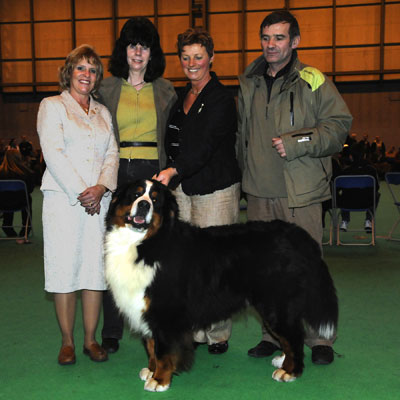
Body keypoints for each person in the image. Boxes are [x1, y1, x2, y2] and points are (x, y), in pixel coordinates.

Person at [237, 10, 352, 365]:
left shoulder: (313, 80)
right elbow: (242, 136)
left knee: (308, 269)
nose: (271, 45)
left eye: (279, 37)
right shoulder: (249, 81)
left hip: (300, 195)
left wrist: (298, 141)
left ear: (295, 41)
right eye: (266, 38)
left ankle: (321, 340)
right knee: (265, 273)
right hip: (258, 195)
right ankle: (274, 335)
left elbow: (339, 126)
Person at [155, 28, 241, 355]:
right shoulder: (181, 96)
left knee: (215, 265)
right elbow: (173, 140)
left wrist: (173, 170)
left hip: (215, 190)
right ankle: (194, 329)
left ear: (211, 58)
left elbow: (205, 147)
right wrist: (173, 172)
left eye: (198, 57)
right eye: (186, 57)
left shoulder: (221, 98)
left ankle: (217, 333)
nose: (192, 63)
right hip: (183, 192)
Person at [96, 17, 177, 354]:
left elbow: (174, 136)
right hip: (118, 171)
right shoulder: (108, 88)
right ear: (123, 50)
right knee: (116, 251)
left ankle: (158, 322)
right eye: (132, 45)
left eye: (145, 46)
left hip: (153, 173)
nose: (138, 52)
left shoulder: (166, 89)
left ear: (152, 52)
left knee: (153, 254)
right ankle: (112, 329)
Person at [37, 44, 119, 365]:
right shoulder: (52, 106)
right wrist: (81, 192)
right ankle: (68, 342)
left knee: (94, 271)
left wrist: (100, 187)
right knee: (64, 270)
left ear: (98, 77)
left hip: (99, 203)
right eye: (80, 68)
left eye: (92, 69)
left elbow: (112, 153)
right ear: (69, 72)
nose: (86, 74)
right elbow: (53, 152)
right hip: (64, 203)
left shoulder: (103, 112)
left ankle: (90, 339)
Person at [338, 142, 380, 233]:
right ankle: (368, 220)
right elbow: (376, 188)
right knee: (376, 194)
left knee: (342, 194)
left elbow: (337, 188)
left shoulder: (345, 171)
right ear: (364, 156)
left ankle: (344, 220)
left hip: (347, 204)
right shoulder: (371, 170)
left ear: (350, 157)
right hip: (366, 203)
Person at [0, 148, 35, 242]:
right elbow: (30, 190)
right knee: (27, 197)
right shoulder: (27, 172)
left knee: (6, 196)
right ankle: (25, 230)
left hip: (2, 204)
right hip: (20, 202)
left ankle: (7, 226)